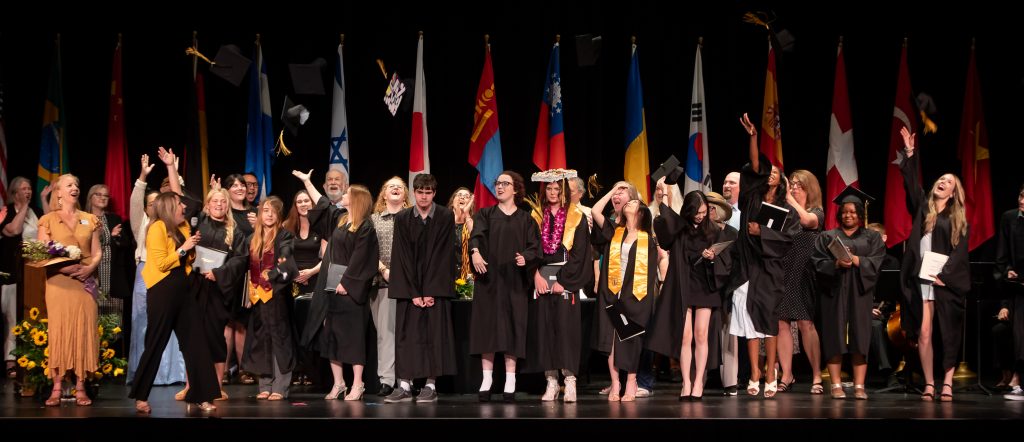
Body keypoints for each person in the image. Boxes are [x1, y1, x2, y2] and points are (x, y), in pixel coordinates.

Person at [898, 126, 971, 402]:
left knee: (950, 332)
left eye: (949, 181)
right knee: (924, 331)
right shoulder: (924, 208)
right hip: (923, 279)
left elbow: (960, 252)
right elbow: (910, 183)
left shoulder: (958, 220)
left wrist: (946, 275)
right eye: (941, 178)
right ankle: (930, 382)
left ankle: (948, 382)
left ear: (953, 192)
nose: (943, 182)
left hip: (946, 281)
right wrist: (909, 152)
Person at [728, 113, 797, 399]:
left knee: (768, 319)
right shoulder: (750, 198)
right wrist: (753, 137)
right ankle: (755, 372)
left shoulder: (785, 209)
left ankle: (771, 371)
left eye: (775, 173)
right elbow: (755, 165)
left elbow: (788, 239)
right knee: (747, 319)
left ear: (780, 181)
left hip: (770, 268)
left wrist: (763, 234)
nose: (769, 174)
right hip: (747, 264)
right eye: (766, 171)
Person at [296, 170, 379, 402]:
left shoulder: (365, 227)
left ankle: (358, 384)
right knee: (331, 336)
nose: (343, 193)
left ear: (357, 199)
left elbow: (362, 259)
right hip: (332, 288)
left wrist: (347, 282)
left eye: (348, 192)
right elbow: (322, 204)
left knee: (352, 338)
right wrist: (307, 182)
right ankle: (339, 383)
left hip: (351, 291)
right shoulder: (341, 220)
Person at [649, 189, 731, 400]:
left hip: (704, 286)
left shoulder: (714, 231)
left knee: (701, 334)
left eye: (704, 211)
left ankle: (698, 384)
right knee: (685, 336)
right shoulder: (680, 229)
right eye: (697, 212)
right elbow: (664, 233)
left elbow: (726, 262)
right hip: (683, 286)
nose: (701, 216)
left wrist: (712, 257)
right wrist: (663, 199)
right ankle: (686, 383)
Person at [384, 173, 458, 403]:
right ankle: (404, 384)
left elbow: (444, 255)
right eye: (420, 192)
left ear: (434, 194)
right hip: (410, 290)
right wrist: (414, 292)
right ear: (414, 193)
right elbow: (402, 257)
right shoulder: (404, 217)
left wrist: (430, 291)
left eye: (428, 192)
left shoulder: (445, 216)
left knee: (434, 336)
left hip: (435, 289)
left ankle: (430, 384)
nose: (424, 196)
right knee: (407, 337)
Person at [469, 171, 540, 402]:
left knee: (513, 327)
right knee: (487, 328)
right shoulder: (485, 214)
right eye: (498, 183)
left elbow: (535, 247)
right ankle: (486, 379)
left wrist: (526, 258)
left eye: (504, 184)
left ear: (516, 189)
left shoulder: (526, 219)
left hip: (514, 282)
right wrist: (476, 252)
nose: (499, 187)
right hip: (489, 280)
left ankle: (511, 380)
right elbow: (476, 237)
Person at [523, 170, 592, 403]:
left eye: (557, 189)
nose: (553, 193)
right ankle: (551, 381)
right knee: (544, 331)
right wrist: (535, 276)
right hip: (541, 279)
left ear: (564, 192)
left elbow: (580, 253)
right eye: (549, 189)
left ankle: (570, 381)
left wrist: (564, 281)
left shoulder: (576, 217)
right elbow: (530, 249)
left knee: (566, 331)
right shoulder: (534, 216)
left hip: (566, 279)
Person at [811, 187, 885, 400]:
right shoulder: (827, 236)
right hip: (833, 293)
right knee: (834, 337)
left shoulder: (872, 237)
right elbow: (816, 263)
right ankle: (835, 384)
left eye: (852, 212)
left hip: (860, 294)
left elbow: (878, 262)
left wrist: (857, 260)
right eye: (844, 211)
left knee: (860, 338)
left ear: (860, 214)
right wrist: (835, 263)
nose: (848, 215)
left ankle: (859, 385)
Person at [36, 174, 102, 407]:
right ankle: (56, 387)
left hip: (85, 282)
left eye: (77, 185)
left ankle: (81, 387)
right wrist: (66, 268)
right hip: (59, 282)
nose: (75, 188)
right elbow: (42, 253)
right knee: (60, 331)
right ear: (59, 192)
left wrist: (90, 268)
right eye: (69, 185)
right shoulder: (48, 220)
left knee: (83, 331)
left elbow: (97, 252)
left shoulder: (90, 219)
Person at [590, 183, 659, 402]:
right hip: (611, 291)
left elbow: (649, 274)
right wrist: (612, 190)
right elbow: (594, 211)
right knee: (610, 339)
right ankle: (615, 382)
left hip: (635, 296)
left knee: (631, 340)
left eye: (632, 201)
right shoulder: (613, 231)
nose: (627, 202)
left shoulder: (649, 239)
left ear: (641, 212)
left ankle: (631, 380)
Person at [180, 187, 248, 402]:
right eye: (215, 201)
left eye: (223, 202)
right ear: (207, 205)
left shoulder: (234, 231)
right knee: (192, 338)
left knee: (215, 338)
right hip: (195, 286)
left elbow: (240, 260)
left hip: (218, 289)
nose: (219, 204)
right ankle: (191, 386)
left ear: (228, 206)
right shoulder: (197, 222)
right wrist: (172, 168)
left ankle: (216, 386)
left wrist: (218, 273)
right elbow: (184, 202)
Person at [126, 154, 187, 386]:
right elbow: (135, 200)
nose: (155, 206)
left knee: (172, 324)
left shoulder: (174, 224)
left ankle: (173, 374)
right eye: (150, 204)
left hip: (171, 270)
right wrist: (142, 177)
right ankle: (146, 372)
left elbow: (180, 198)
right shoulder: (141, 222)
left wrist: (175, 174)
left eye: (158, 202)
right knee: (145, 323)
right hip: (146, 272)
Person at [232, 196, 297, 401]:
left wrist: (279, 267)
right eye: (265, 210)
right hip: (257, 296)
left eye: (273, 211)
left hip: (276, 294)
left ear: (278, 215)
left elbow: (286, 255)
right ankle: (266, 384)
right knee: (261, 339)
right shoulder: (253, 238)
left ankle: (281, 386)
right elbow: (241, 262)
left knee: (279, 338)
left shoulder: (284, 235)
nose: (268, 215)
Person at [777, 170, 824, 394]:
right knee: (782, 322)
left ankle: (816, 375)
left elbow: (807, 221)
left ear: (810, 189)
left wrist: (788, 198)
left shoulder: (816, 212)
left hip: (805, 272)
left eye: (799, 185)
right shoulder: (787, 213)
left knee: (806, 323)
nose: (794, 188)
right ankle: (787, 374)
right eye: (792, 184)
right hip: (784, 268)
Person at [369, 177, 410, 396]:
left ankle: (406, 380)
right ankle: (387, 379)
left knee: (407, 333)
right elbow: (368, 249)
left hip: (409, 286)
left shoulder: (413, 218)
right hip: (382, 283)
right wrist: (384, 269)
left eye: (399, 186)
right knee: (385, 334)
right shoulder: (374, 220)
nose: (395, 188)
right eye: (390, 186)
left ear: (405, 194)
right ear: (383, 195)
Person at [282, 190, 327, 388]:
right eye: (299, 201)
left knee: (312, 329)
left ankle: (312, 372)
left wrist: (310, 272)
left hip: (316, 280)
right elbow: (281, 256)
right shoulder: (286, 227)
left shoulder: (322, 227)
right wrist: (294, 273)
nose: (302, 204)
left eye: (306, 200)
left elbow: (327, 256)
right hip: (292, 282)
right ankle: (295, 370)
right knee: (294, 329)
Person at [2, 177, 38, 379]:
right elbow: (14, 230)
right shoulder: (5, 212)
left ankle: (31, 357)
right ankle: (10, 361)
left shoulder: (35, 212)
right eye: (24, 189)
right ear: (14, 193)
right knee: (12, 320)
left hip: (34, 275)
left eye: (30, 188)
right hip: (12, 275)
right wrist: (23, 207)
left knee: (31, 318)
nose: (28, 191)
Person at [706, 190, 740, 395]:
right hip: (702, 289)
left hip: (727, 289)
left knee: (728, 337)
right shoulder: (698, 232)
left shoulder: (732, 234)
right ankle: (698, 380)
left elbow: (738, 264)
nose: (705, 212)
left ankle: (730, 382)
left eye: (709, 208)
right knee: (700, 336)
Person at [222, 174, 255, 385]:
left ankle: (244, 369)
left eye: (242, 185)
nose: (240, 188)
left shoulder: (255, 213)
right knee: (226, 323)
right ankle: (223, 370)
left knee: (242, 324)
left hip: (247, 274)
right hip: (227, 272)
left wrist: (257, 225)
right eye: (234, 185)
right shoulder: (223, 212)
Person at [85, 184, 130, 327]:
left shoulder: (114, 219)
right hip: (92, 276)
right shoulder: (83, 219)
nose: (103, 198)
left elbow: (126, 243)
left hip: (113, 278)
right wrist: (110, 236)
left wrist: (116, 238)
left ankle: (114, 349)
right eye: (98, 194)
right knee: (93, 322)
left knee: (114, 325)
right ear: (90, 197)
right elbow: (84, 245)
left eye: (106, 196)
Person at [994, 184, 1024, 400]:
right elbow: (1001, 258)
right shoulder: (1009, 218)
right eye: (1022, 195)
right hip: (1016, 290)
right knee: (1002, 329)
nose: (1022, 201)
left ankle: (1017, 377)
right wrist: (1004, 303)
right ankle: (1011, 374)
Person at [448, 187, 474, 283]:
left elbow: (475, 239)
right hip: (448, 273)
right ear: (452, 201)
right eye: (459, 195)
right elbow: (443, 239)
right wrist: (457, 215)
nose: (462, 198)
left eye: (466, 196)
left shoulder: (474, 222)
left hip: (468, 274)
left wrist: (466, 213)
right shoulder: (443, 221)